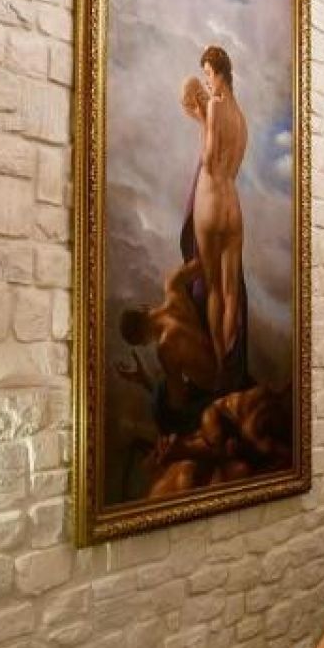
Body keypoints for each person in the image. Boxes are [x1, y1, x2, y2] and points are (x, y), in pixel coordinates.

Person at [180, 45, 248, 382]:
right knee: (232, 289)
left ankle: (219, 366)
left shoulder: (216, 106)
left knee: (213, 289)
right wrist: (204, 118)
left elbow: (208, 161)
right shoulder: (241, 118)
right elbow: (232, 168)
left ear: (220, 73)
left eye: (208, 74)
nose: (207, 81)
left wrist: (202, 120)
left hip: (210, 201)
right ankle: (231, 365)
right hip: (232, 204)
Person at [116, 258, 219, 434]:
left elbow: (179, 401)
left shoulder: (165, 348)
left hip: (215, 388)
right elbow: (207, 259)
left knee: (162, 409)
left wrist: (147, 383)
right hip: (223, 362)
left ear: (143, 341)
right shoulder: (173, 284)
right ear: (143, 308)